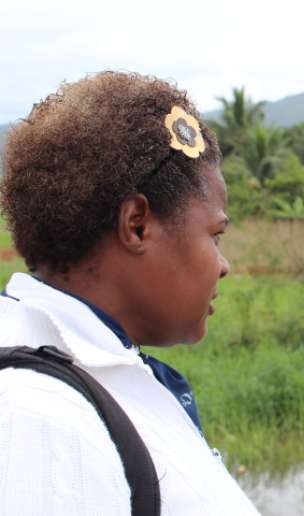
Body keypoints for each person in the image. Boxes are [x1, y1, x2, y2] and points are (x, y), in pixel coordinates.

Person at [0, 72, 261, 515]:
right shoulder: (38, 418)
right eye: (215, 235)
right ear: (137, 224)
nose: (224, 265)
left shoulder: (97, 378)